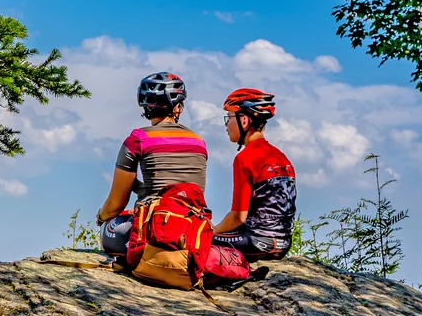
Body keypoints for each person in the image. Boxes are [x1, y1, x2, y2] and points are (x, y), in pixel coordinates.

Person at [96, 71, 207, 257]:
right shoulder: (198, 142)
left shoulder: (138, 139)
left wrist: (101, 217)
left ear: (145, 105)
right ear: (178, 107)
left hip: (153, 234)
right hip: (189, 232)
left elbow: (116, 204)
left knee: (109, 226)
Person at [212, 88, 297, 261]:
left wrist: (213, 230)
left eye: (229, 118)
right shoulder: (282, 157)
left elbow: (238, 217)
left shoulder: (245, 158)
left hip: (256, 242)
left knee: (199, 241)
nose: (226, 125)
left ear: (244, 121)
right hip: (283, 243)